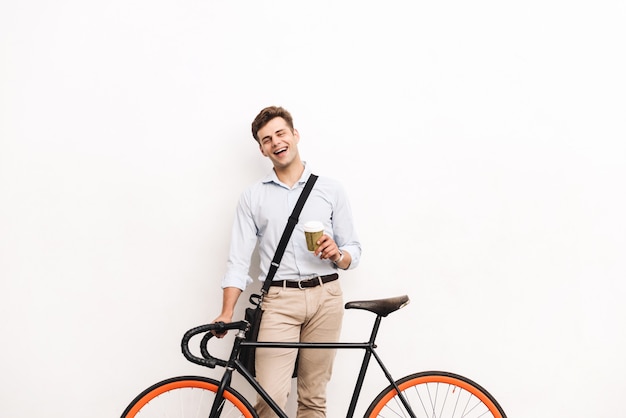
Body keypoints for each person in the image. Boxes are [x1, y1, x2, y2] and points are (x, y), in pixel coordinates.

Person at [212, 106, 361, 417]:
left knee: (312, 398)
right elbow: (238, 261)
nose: (276, 142)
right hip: (279, 301)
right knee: (270, 398)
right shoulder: (253, 197)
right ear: (262, 149)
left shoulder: (330, 188)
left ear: (295, 135)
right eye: (267, 139)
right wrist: (226, 312)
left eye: (280, 133)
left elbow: (353, 250)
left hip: (326, 297)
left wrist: (338, 254)